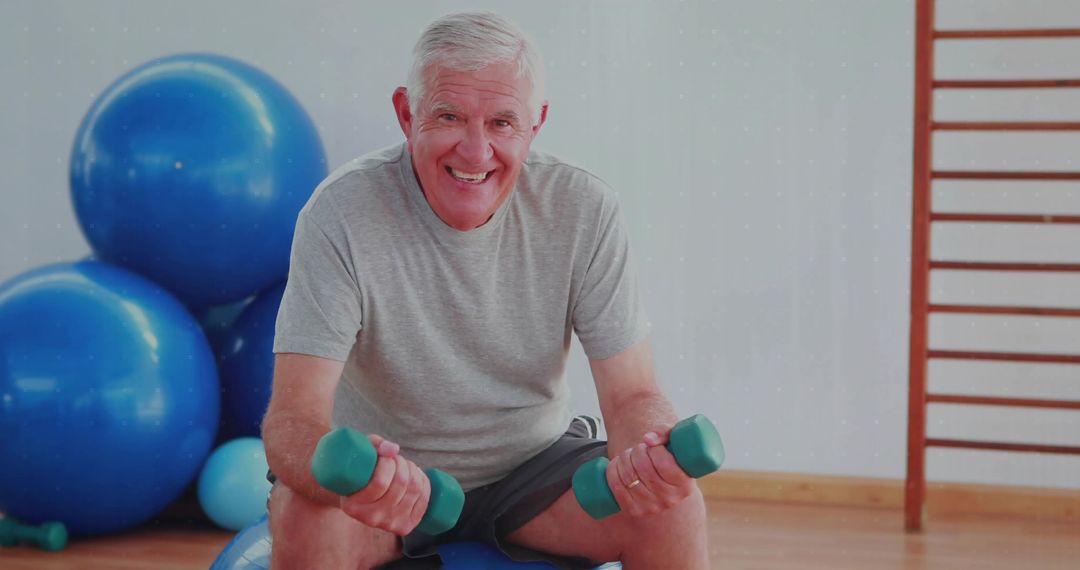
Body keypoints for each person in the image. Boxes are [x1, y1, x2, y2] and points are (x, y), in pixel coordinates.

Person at [262, 11, 709, 569]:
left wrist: (651, 454)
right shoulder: (340, 213)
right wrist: (349, 478)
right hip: (392, 480)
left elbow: (631, 397)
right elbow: (292, 420)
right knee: (301, 515)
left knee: (674, 507)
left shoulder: (584, 209)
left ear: (536, 124)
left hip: (536, 467)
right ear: (406, 113)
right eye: (449, 116)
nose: (475, 153)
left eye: (502, 122)